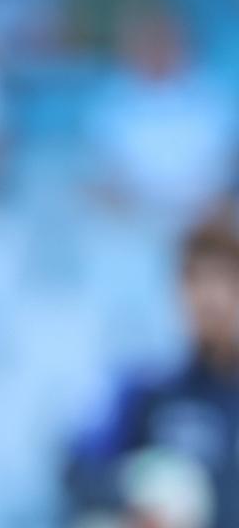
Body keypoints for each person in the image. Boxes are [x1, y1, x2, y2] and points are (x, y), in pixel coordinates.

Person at [65, 216, 239, 528]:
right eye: (195, 280)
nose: (210, 297)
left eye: (224, 280)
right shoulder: (152, 394)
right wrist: (138, 491)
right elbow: (77, 472)